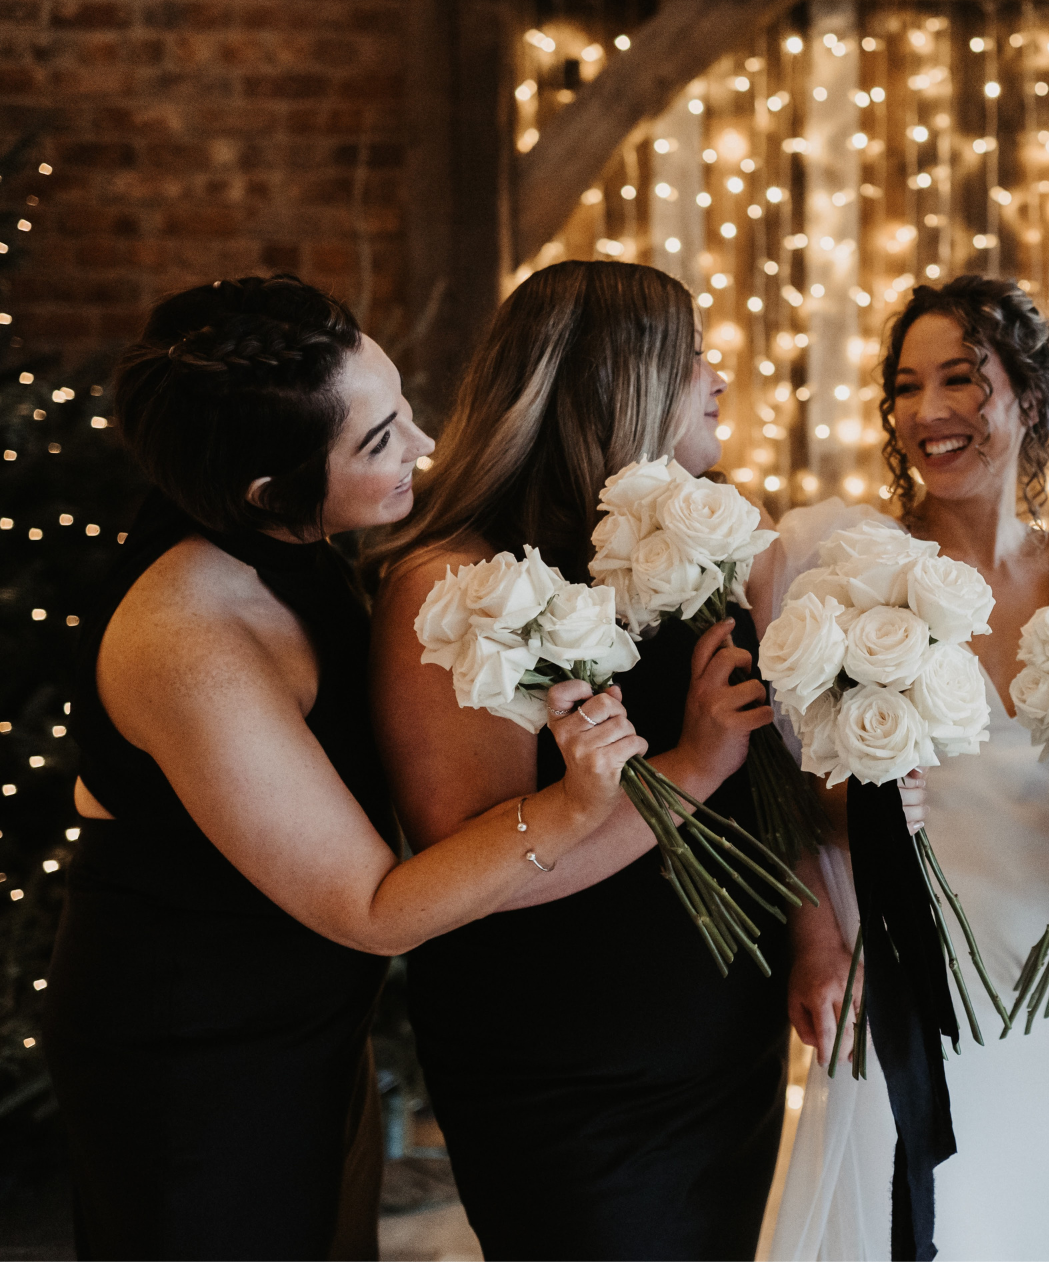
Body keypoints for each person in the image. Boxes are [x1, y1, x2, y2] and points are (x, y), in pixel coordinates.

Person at [44, 275, 647, 1261]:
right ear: (267, 489)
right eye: (378, 440)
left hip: (302, 1022)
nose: (423, 445)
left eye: (402, 406)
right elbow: (372, 907)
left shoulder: (285, 529)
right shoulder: (193, 642)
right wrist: (579, 804)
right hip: (190, 1059)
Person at [366, 260, 789, 1260]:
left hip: (720, 1043)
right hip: (566, 1069)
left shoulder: (689, 549)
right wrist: (692, 767)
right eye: (692, 359)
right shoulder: (461, 585)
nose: (717, 377)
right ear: (622, 384)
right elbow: (477, 876)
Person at [758, 275, 1049, 1260]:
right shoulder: (842, 564)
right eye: (905, 386)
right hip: (902, 972)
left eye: (959, 380)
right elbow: (779, 787)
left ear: (1028, 392)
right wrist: (820, 926)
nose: (927, 412)